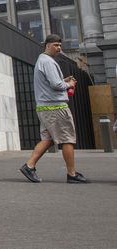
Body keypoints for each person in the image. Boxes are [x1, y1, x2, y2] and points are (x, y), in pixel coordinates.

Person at [20, 34, 89, 184]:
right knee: (67, 139)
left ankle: (29, 166)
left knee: (48, 139)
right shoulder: (48, 62)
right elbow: (56, 86)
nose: (59, 48)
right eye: (56, 45)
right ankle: (71, 174)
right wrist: (69, 85)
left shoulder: (41, 61)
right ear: (47, 45)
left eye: (60, 45)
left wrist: (63, 81)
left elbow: (53, 83)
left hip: (45, 107)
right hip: (55, 107)